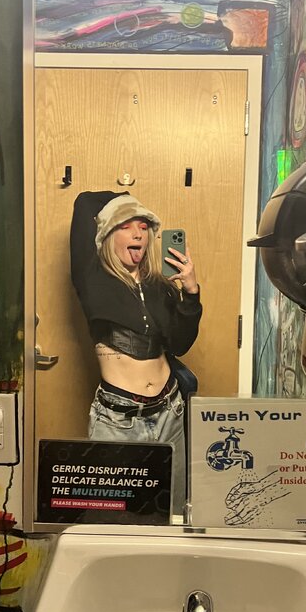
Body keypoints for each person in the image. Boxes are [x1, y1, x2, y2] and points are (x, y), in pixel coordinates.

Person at [70, 191, 202, 517]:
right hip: (118, 420)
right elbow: (84, 203)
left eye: (143, 227)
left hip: (170, 411)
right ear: (106, 235)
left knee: (172, 512)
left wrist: (191, 293)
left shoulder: (160, 287)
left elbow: (180, 344)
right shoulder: (93, 278)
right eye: (126, 226)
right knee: (113, 520)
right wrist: (127, 199)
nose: (138, 233)